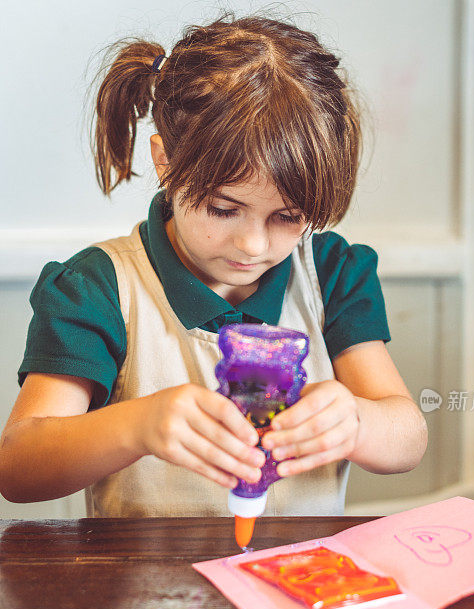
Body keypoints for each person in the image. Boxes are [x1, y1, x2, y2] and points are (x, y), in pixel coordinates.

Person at [0, 13, 427, 517]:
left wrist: (356, 421)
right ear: (165, 162)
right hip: (146, 589)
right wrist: (139, 425)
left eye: (288, 217)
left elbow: (409, 438)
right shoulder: (99, 288)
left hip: (298, 583)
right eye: (224, 209)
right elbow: (18, 468)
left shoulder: (330, 273)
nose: (252, 244)